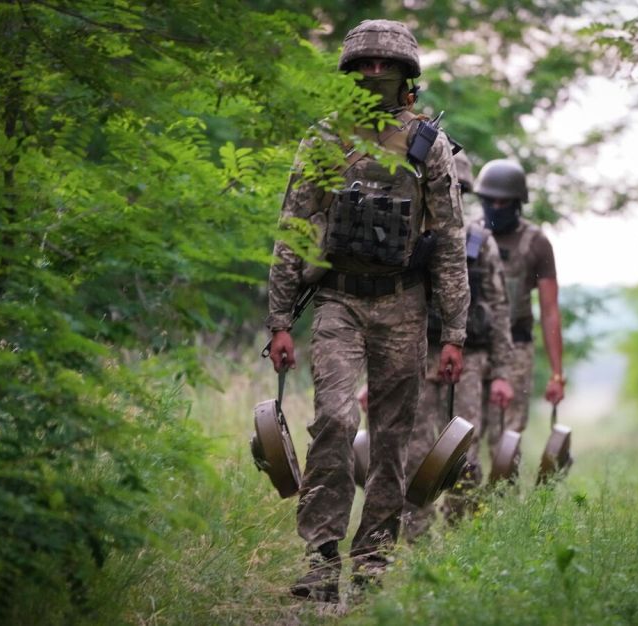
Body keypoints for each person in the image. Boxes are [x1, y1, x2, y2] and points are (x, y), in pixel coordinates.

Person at [265, 19, 469, 603]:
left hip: (404, 305)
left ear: (406, 72)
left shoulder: (429, 145)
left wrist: (452, 331)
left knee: (393, 437)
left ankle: (375, 558)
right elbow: (293, 229)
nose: (376, 72)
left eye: (387, 63)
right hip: (338, 301)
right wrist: (279, 320)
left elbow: (451, 243)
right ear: (351, 71)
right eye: (366, 63)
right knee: (333, 418)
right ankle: (322, 557)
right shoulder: (325, 138)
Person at [403, 150, 514, 539]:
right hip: (418, 354)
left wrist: (501, 373)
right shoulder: (410, 233)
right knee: (414, 451)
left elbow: (499, 311)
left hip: (469, 361)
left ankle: (459, 538)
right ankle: (414, 538)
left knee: (463, 455)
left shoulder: (480, 242)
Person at [474, 159, 566, 457]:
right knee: (466, 432)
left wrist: (556, 374)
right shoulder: (468, 235)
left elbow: (550, 310)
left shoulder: (536, 243)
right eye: (490, 201)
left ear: (517, 203)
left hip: (517, 346)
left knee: (507, 436)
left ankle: (502, 501)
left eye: (504, 202)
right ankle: (462, 503)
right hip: (473, 345)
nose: (496, 207)